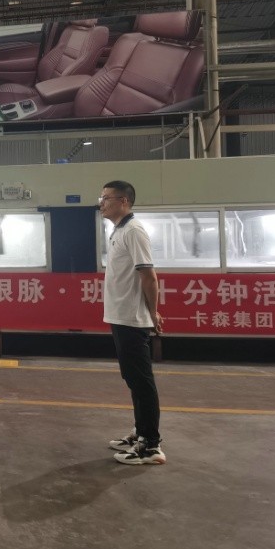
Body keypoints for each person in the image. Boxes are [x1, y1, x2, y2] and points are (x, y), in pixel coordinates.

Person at [99, 180, 167, 466]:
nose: (101, 203)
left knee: (141, 381)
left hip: (131, 318)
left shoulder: (134, 231)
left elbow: (148, 276)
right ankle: (141, 432)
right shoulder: (119, 230)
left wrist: (153, 312)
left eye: (106, 198)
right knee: (132, 379)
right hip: (121, 315)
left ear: (124, 201)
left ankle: (151, 445)